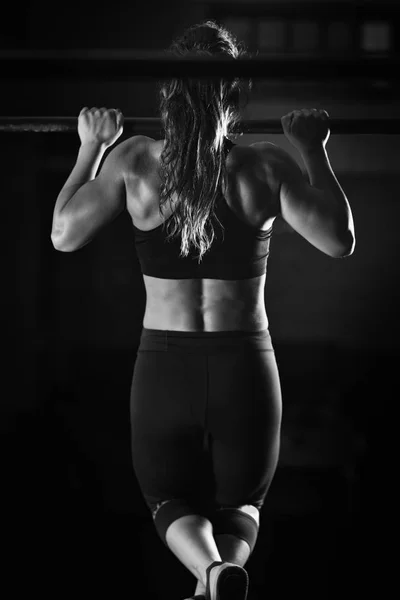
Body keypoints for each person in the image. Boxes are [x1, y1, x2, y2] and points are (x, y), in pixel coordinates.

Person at [51, 20, 355, 600]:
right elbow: (340, 239)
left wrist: (92, 147)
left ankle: (210, 573)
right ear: (234, 95)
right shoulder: (266, 165)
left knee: (168, 501)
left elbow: (63, 234)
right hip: (245, 362)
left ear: (168, 92)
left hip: (164, 367)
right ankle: (220, 574)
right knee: (243, 501)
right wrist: (314, 151)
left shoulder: (136, 162)